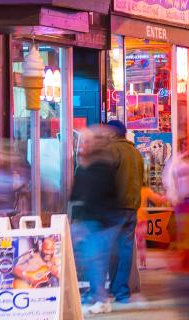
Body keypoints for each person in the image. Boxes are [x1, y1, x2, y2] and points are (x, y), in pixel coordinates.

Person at [70, 126, 118, 314]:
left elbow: (96, 194)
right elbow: (78, 193)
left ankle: (100, 297)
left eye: (86, 142)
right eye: (82, 142)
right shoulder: (89, 164)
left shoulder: (100, 165)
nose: (83, 145)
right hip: (92, 219)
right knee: (90, 260)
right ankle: (96, 295)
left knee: (95, 260)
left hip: (99, 220)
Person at [106, 119, 144, 305]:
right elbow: (141, 180)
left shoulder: (112, 151)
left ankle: (115, 288)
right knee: (126, 250)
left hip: (115, 208)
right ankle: (122, 291)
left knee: (112, 250)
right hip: (132, 207)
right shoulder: (136, 153)